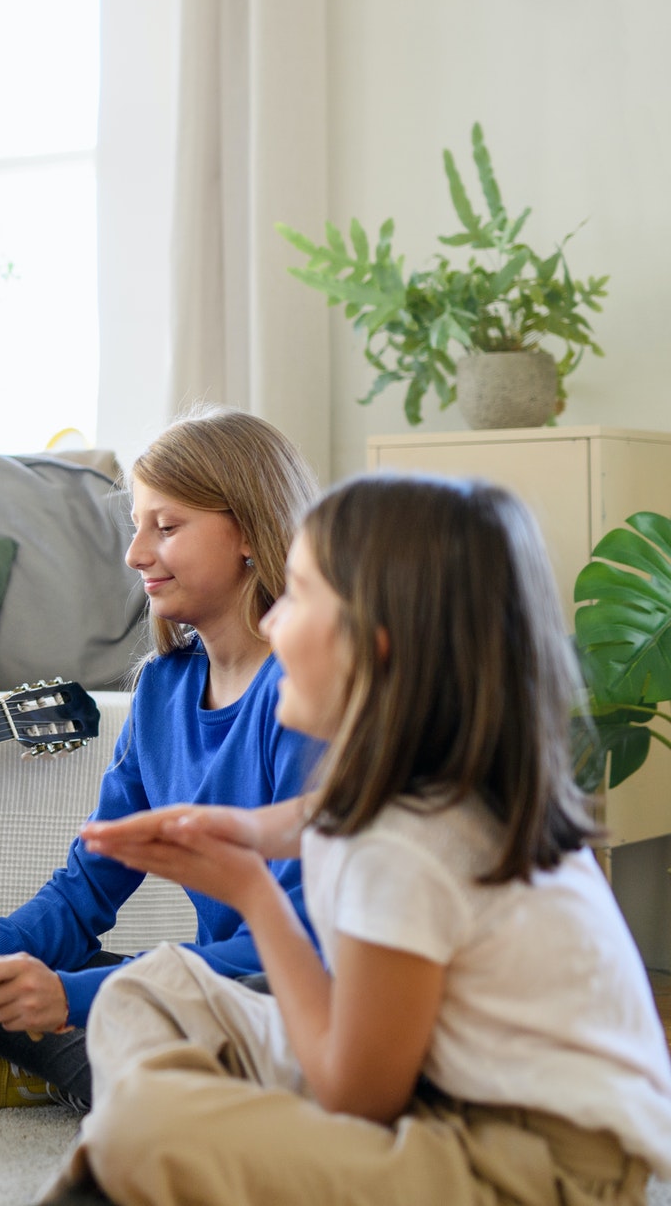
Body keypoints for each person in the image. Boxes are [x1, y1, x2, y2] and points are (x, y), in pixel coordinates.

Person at [65, 475, 671, 1205]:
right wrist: (246, 829)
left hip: (536, 1164)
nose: (271, 622)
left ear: (370, 649)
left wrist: (256, 895)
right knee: (146, 989)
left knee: (144, 1129)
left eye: (295, 594)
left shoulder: (406, 844)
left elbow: (356, 1094)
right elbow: (316, 812)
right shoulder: (427, 787)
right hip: (440, 1090)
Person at [0, 406, 322, 1111]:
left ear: (250, 530)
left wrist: (72, 996)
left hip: (281, 996)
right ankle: (105, 1068)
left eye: (167, 526)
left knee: (123, 1016)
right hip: (197, 993)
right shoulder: (161, 688)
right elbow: (85, 891)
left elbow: (299, 946)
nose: (135, 554)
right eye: (136, 526)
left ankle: (102, 1071)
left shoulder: (309, 693)